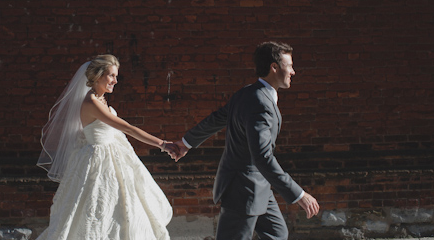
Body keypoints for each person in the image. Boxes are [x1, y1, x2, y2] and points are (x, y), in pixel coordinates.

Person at [172, 41, 320, 240]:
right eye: (290, 65)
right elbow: (263, 157)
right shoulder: (259, 102)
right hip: (243, 189)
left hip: (259, 186)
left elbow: (217, 118)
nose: (293, 71)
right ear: (274, 67)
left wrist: (186, 142)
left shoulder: (247, 93)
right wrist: (300, 195)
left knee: (277, 234)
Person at [37, 55, 178, 240]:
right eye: (111, 76)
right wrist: (163, 144)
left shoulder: (100, 98)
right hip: (99, 163)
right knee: (99, 210)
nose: (115, 81)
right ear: (97, 75)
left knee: (125, 208)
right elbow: (128, 128)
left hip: (113, 157)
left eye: (116, 76)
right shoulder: (92, 103)